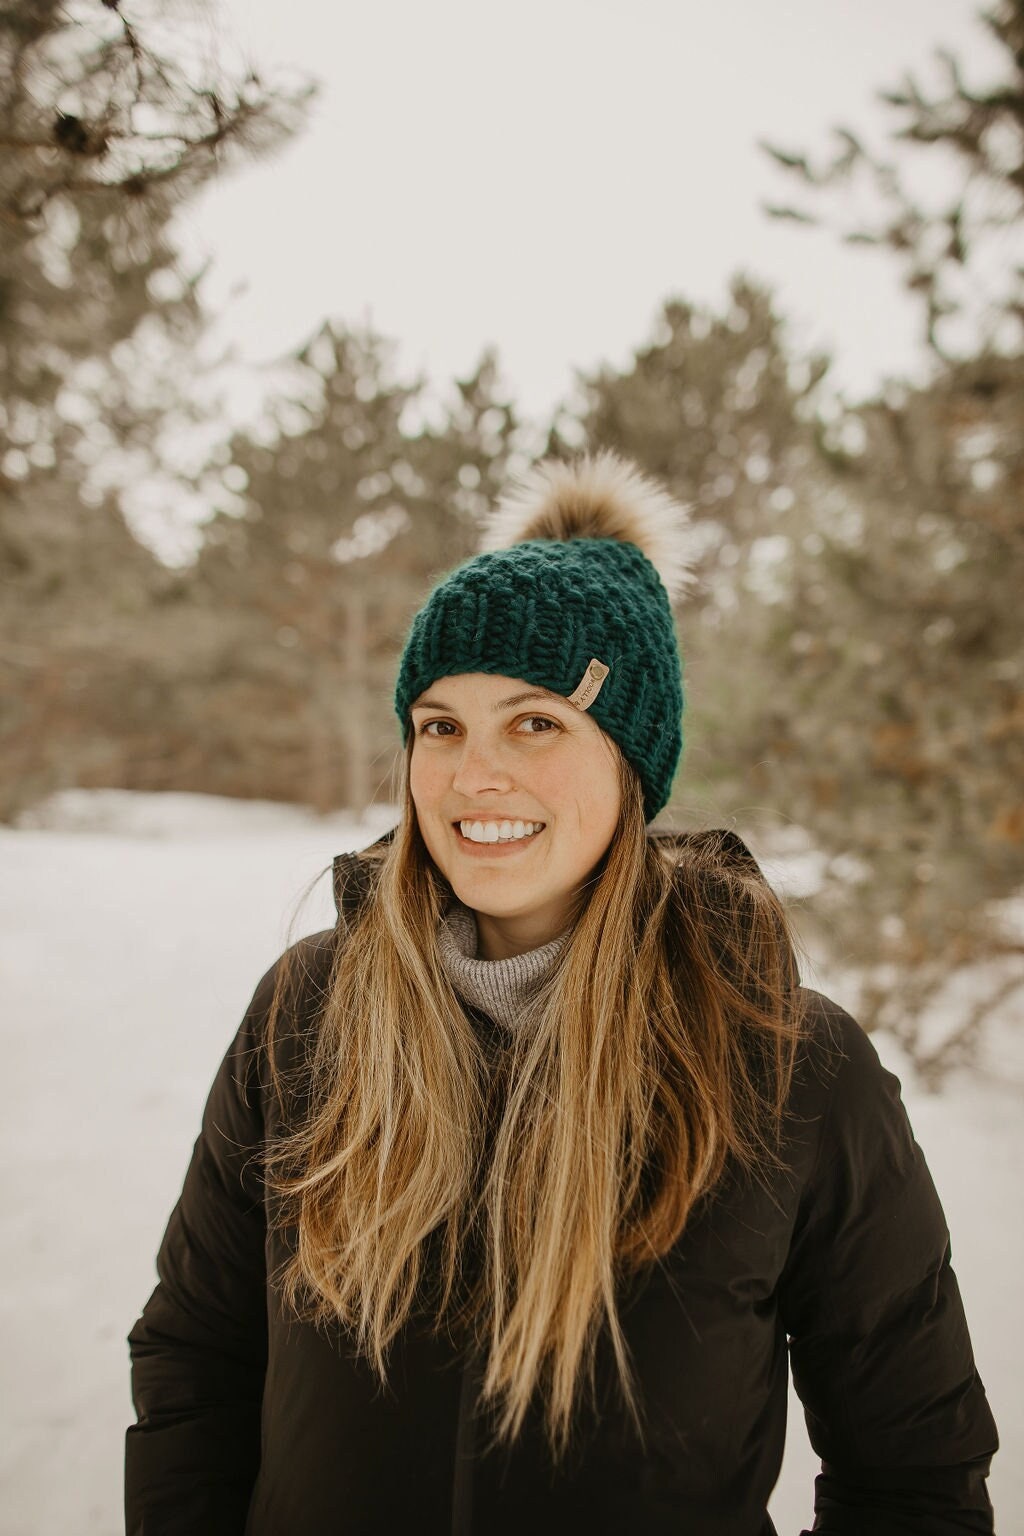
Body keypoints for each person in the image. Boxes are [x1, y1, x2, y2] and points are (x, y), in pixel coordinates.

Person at [125, 452, 998, 1535]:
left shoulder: (788, 1067)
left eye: (534, 722)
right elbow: (196, 1356)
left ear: (630, 759)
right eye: (439, 725)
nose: (471, 774)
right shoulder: (307, 1014)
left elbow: (913, 1475)